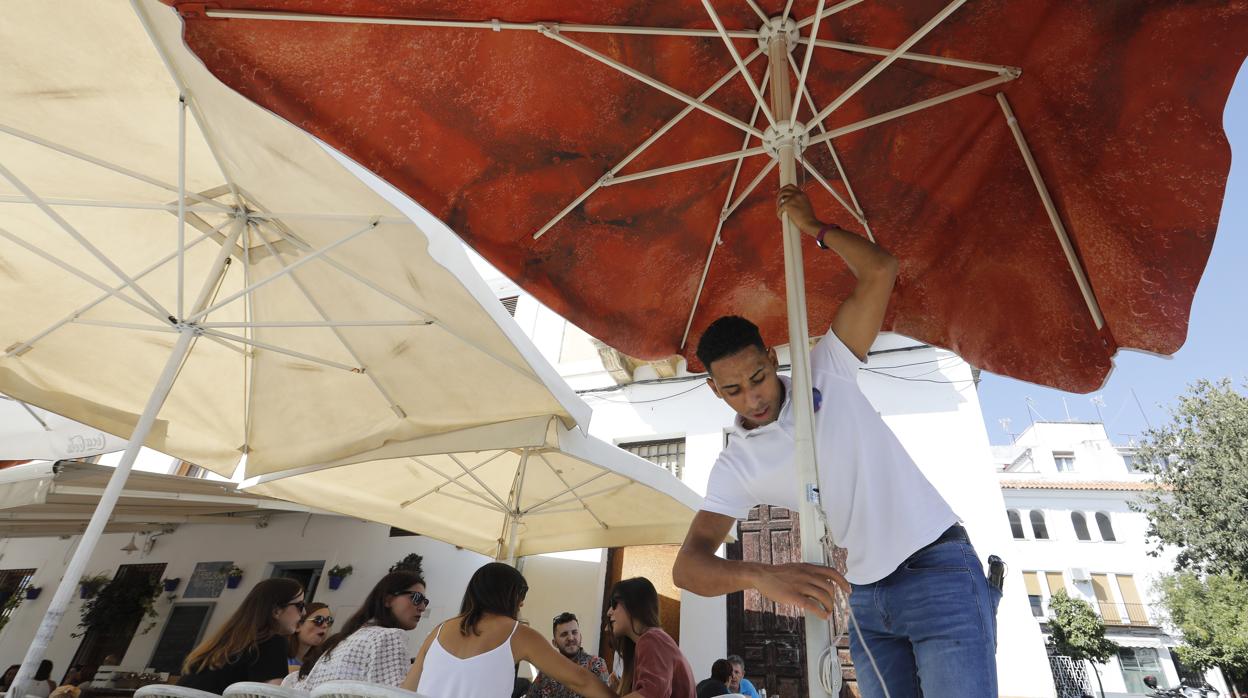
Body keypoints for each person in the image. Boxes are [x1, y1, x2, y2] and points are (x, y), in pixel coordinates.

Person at [672, 185, 1001, 698]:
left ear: (771, 355)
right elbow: (688, 568)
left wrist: (815, 229)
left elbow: (880, 270)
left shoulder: (827, 369)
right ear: (714, 390)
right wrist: (762, 576)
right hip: (866, 599)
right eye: (732, 390)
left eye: (757, 377)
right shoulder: (735, 466)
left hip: (938, 568)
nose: (752, 397)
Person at [404, 562, 615, 698]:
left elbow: (405, 690)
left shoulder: (438, 631)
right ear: (507, 595)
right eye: (521, 594)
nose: (521, 604)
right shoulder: (517, 634)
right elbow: (580, 679)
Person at [299, 570, 427, 690]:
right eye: (416, 598)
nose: (422, 607)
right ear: (387, 600)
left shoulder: (345, 639)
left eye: (425, 602)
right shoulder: (389, 636)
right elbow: (397, 694)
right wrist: (425, 653)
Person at [178, 577, 305, 693]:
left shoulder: (219, 645)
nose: (304, 612)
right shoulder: (271, 641)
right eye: (300, 605)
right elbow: (272, 695)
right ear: (276, 610)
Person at [606, 577, 694, 698]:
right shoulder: (654, 640)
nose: (609, 612)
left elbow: (652, 693)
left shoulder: (652, 640)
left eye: (614, 604)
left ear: (634, 604)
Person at [527, 611, 610, 697]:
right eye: (564, 634)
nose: (570, 638)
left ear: (580, 636)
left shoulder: (595, 664)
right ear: (554, 643)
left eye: (574, 632)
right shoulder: (547, 670)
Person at [287, 602, 334, 671]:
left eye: (329, 621)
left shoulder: (319, 663)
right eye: (318, 620)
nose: (325, 625)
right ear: (298, 625)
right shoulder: (278, 656)